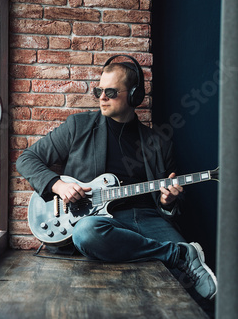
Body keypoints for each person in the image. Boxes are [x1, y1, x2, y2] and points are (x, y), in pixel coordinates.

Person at [16, 55, 217, 301]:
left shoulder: (159, 143)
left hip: (147, 217)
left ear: (134, 96)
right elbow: (26, 159)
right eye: (98, 90)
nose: (102, 97)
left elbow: (171, 205)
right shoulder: (78, 126)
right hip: (99, 222)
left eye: (110, 92)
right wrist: (58, 185)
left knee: (191, 291)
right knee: (85, 234)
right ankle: (178, 254)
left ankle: (179, 258)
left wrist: (168, 202)